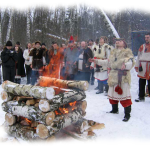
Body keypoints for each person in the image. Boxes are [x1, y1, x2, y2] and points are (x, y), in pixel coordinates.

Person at [107, 38, 135, 122]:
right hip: (113, 76)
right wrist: (96, 61)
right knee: (112, 94)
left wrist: (125, 65)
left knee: (124, 95)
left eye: (120, 41)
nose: (118, 41)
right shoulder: (113, 53)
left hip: (122, 77)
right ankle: (115, 110)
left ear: (124, 44)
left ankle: (127, 114)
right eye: (117, 41)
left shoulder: (127, 52)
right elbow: (107, 63)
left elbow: (131, 62)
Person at [135, 33, 150, 102]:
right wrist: (137, 65)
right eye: (145, 37)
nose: (146, 39)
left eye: (148, 37)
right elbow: (138, 56)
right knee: (141, 82)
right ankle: (141, 96)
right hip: (142, 65)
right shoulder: (142, 46)